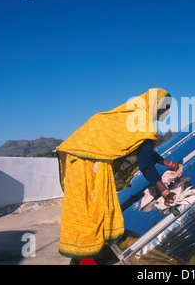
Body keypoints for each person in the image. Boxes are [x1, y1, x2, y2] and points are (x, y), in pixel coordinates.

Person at [56, 88, 180, 261]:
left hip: (78, 159)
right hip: (87, 164)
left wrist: (165, 162)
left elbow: (140, 149)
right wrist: (164, 191)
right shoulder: (143, 123)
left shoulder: (131, 115)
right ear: (155, 105)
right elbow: (144, 163)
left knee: (88, 214)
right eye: (166, 107)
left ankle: (87, 255)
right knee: (95, 216)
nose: (167, 112)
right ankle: (87, 257)